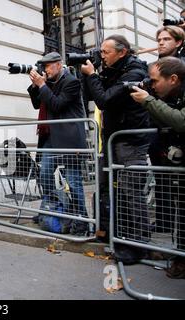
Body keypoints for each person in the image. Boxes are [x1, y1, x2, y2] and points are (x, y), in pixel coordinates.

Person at [81, 35, 151, 264]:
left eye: (106, 52)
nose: (102, 56)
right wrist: (88, 75)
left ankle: (138, 246)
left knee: (131, 193)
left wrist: (93, 75)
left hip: (130, 142)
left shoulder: (134, 72)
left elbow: (105, 101)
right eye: (101, 51)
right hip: (111, 140)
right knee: (111, 192)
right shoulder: (113, 70)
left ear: (122, 52)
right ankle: (116, 235)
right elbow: (90, 95)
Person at [130, 56, 185, 278]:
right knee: (181, 212)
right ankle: (181, 257)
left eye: (154, 81)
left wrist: (148, 101)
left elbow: (180, 121)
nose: (151, 85)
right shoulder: (171, 95)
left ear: (173, 79)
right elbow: (164, 121)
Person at [27, 52, 88, 236]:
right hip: (50, 139)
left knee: (73, 181)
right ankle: (52, 207)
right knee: (44, 174)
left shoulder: (71, 82)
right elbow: (37, 105)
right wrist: (34, 86)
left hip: (69, 141)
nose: (45, 69)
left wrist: (42, 85)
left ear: (59, 64)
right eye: (43, 66)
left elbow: (57, 104)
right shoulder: (49, 83)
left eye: (48, 65)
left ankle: (82, 220)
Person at [148, 26, 185, 234]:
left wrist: (149, 100)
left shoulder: (180, 71)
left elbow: (178, 116)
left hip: (177, 135)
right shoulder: (156, 66)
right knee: (162, 181)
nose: (161, 43)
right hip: (160, 136)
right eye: (159, 39)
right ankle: (165, 223)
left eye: (166, 39)